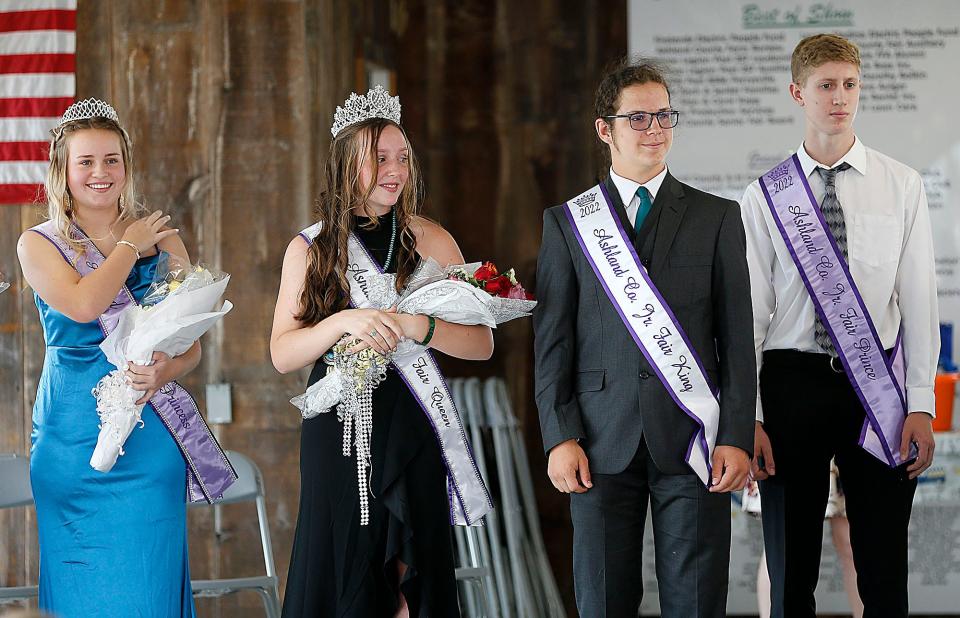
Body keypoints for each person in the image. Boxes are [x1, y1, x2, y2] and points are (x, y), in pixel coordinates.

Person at [533, 58, 755, 617]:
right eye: (639, 118)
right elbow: (553, 342)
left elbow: (736, 338)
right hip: (598, 441)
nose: (655, 129)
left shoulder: (718, 218)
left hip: (694, 442)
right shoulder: (567, 223)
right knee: (604, 601)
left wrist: (735, 435)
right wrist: (560, 435)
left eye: (664, 116)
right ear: (604, 129)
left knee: (698, 600)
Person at [271, 85, 493, 617]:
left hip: (414, 422)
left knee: (410, 580)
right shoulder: (311, 248)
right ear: (348, 164)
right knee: (346, 567)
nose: (395, 171)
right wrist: (345, 320)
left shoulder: (433, 240)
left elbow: (482, 344)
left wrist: (419, 324)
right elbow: (283, 352)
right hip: (343, 431)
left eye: (403, 158)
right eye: (380, 159)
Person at [740, 33, 938, 617]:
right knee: (789, 566)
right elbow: (750, 313)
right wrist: (749, 416)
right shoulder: (765, 196)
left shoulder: (902, 184)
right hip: (790, 384)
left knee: (882, 566)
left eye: (849, 85)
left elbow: (920, 302)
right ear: (798, 92)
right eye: (826, 86)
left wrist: (921, 403)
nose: (839, 98)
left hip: (876, 383)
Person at [17, 99, 233, 617]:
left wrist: (167, 370)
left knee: (148, 589)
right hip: (70, 438)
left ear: (127, 167)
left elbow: (190, 342)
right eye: (85, 161)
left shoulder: (162, 237)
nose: (100, 173)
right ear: (63, 172)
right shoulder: (37, 244)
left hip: (148, 434)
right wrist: (128, 249)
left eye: (111, 160)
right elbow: (86, 304)